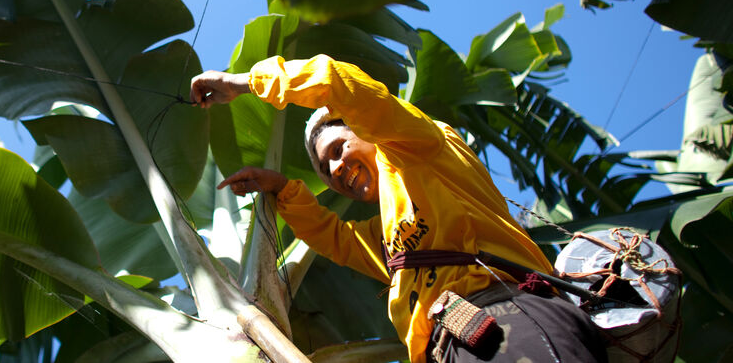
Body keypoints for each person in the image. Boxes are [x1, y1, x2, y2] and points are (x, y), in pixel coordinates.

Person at [189, 54, 606, 362]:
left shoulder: (418, 146)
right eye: (326, 168)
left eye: (338, 148)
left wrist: (244, 82)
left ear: (367, 133)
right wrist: (281, 188)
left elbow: (340, 83)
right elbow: (335, 238)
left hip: (504, 321)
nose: (335, 169)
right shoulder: (391, 236)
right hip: (452, 347)